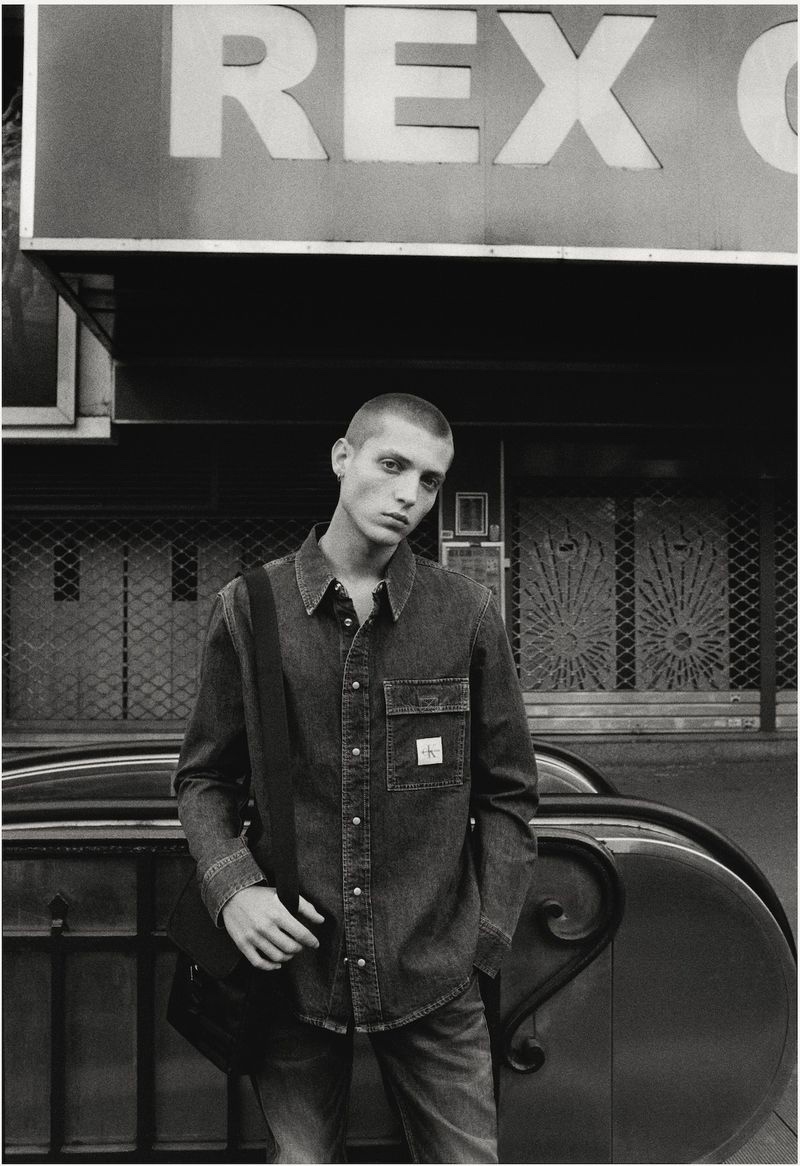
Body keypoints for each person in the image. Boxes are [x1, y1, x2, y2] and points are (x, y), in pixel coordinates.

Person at [173, 393, 538, 1164]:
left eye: (431, 482)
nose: (410, 495)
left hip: (435, 972)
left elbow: (508, 792)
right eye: (393, 465)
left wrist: (486, 937)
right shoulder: (250, 608)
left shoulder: (465, 614)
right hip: (296, 979)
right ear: (343, 459)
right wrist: (234, 886)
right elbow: (204, 777)